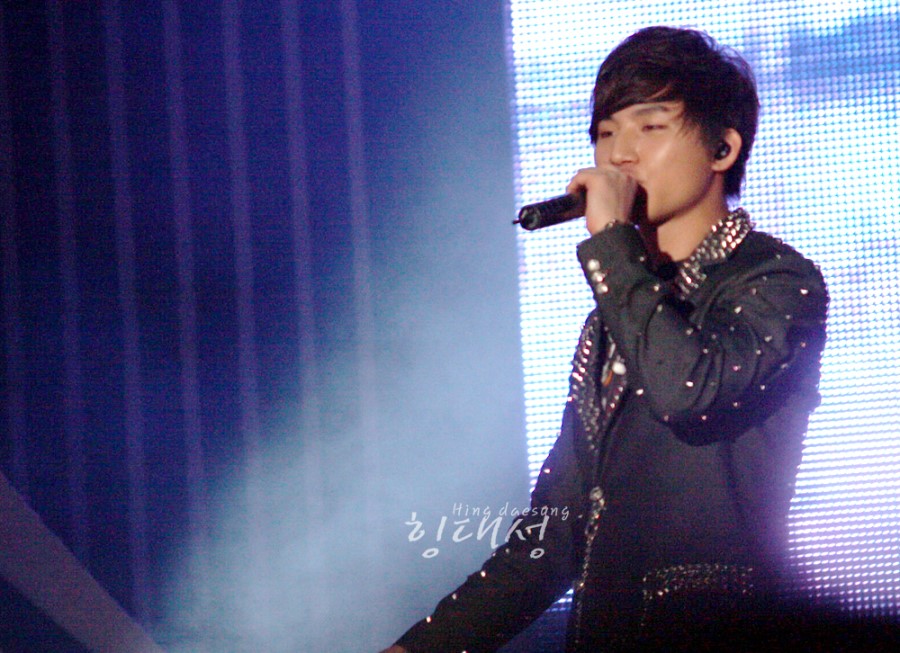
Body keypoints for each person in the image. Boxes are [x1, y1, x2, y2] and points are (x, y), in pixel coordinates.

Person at [380, 26, 828, 652]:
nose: (619, 155)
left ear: (723, 148)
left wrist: (614, 245)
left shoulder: (776, 280)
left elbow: (687, 389)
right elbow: (552, 538)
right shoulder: (620, 312)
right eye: (605, 133)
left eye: (650, 127)